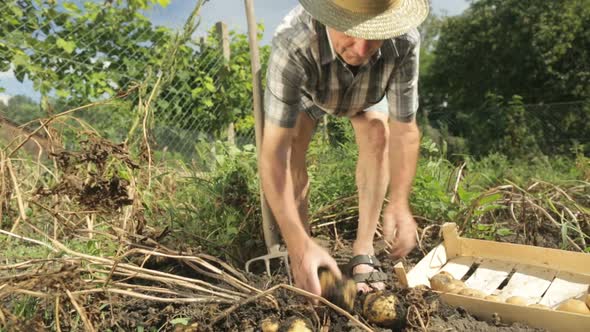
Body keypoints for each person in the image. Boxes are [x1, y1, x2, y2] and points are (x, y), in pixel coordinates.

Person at [260, 0, 429, 295]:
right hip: (310, 88)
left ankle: (363, 250)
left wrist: (400, 201)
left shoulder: (403, 40)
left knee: (379, 134)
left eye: (374, 33)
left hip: (366, 89)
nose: (362, 49)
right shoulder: (293, 42)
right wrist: (298, 245)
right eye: (351, 31)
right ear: (329, 16)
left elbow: (405, 131)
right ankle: (304, 250)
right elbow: (275, 154)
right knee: (295, 142)